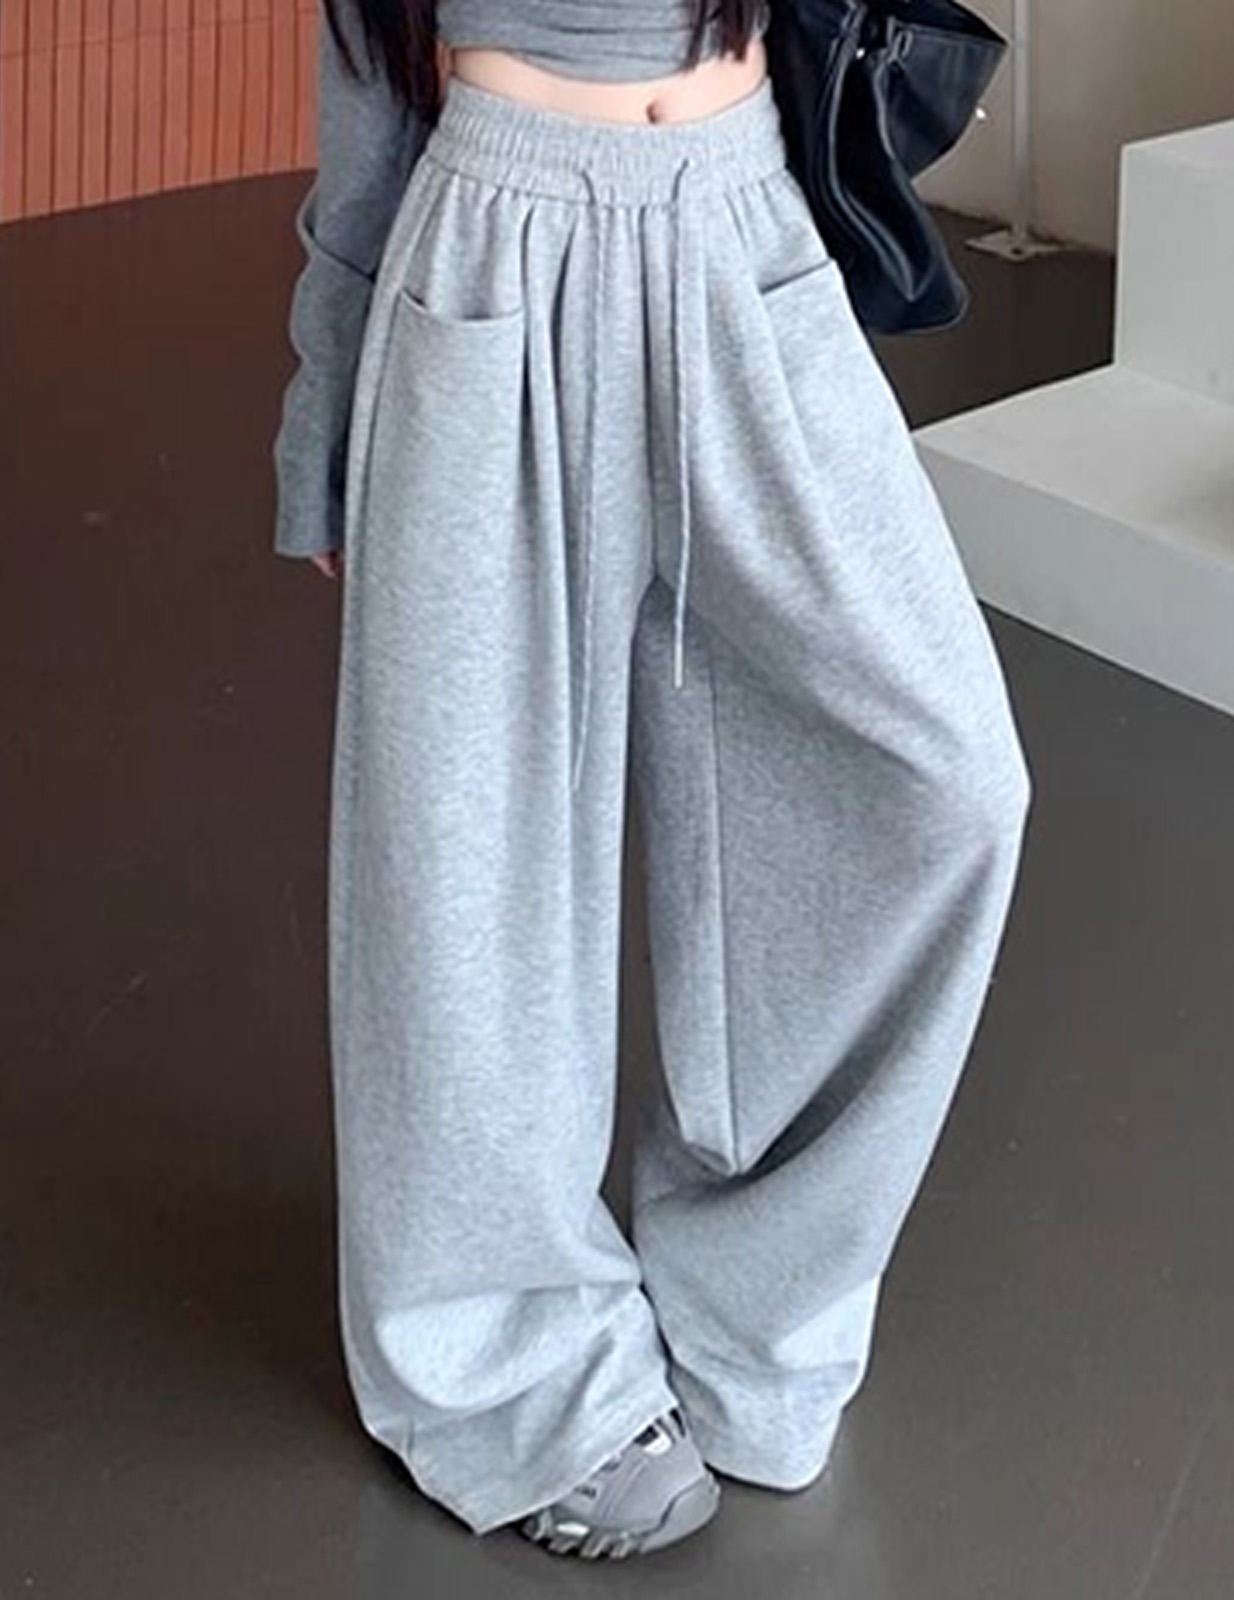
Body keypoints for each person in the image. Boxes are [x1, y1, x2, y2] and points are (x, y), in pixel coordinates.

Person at [269, 0, 1033, 1562]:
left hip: (746, 227)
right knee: (469, 861)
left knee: (946, 776)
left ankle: (755, 1302)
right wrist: (323, 423)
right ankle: (514, 1372)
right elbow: (366, 97)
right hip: (492, 246)